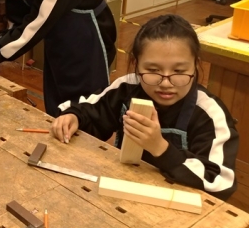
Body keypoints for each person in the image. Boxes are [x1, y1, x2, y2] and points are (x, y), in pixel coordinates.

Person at [52, 14, 238, 200]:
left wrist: (160, 148)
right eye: (153, 70)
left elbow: (220, 182)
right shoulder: (127, 87)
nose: (165, 83)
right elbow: (90, 112)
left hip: (177, 204)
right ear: (136, 63)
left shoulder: (209, 113)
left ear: (195, 65)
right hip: (123, 190)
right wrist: (73, 117)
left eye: (179, 71)